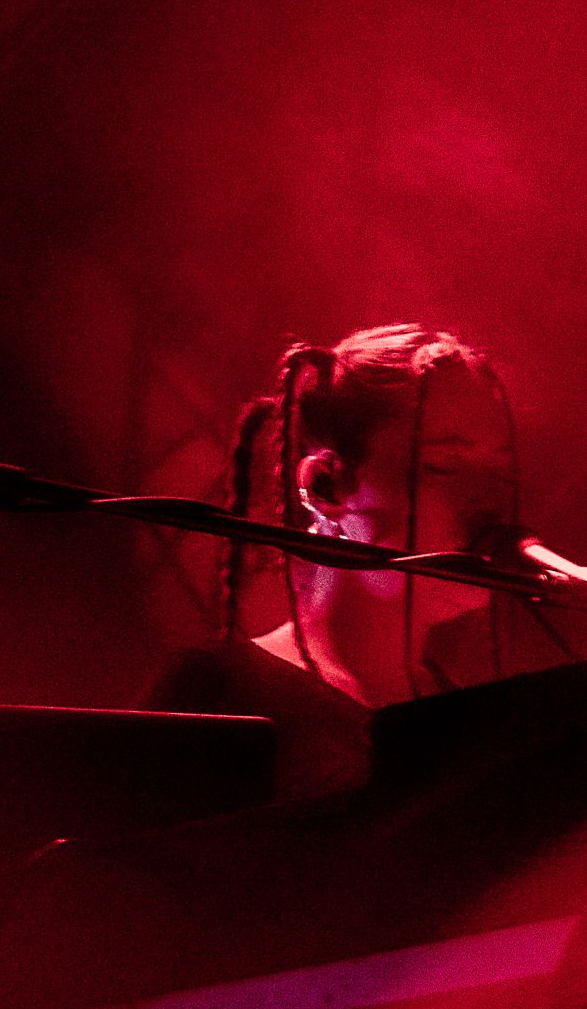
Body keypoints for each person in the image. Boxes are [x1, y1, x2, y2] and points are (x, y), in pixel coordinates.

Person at [146, 324, 527, 797]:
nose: (487, 501)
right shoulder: (222, 693)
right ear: (326, 486)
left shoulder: (466, 723)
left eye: (499, 472)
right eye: (444, 466)